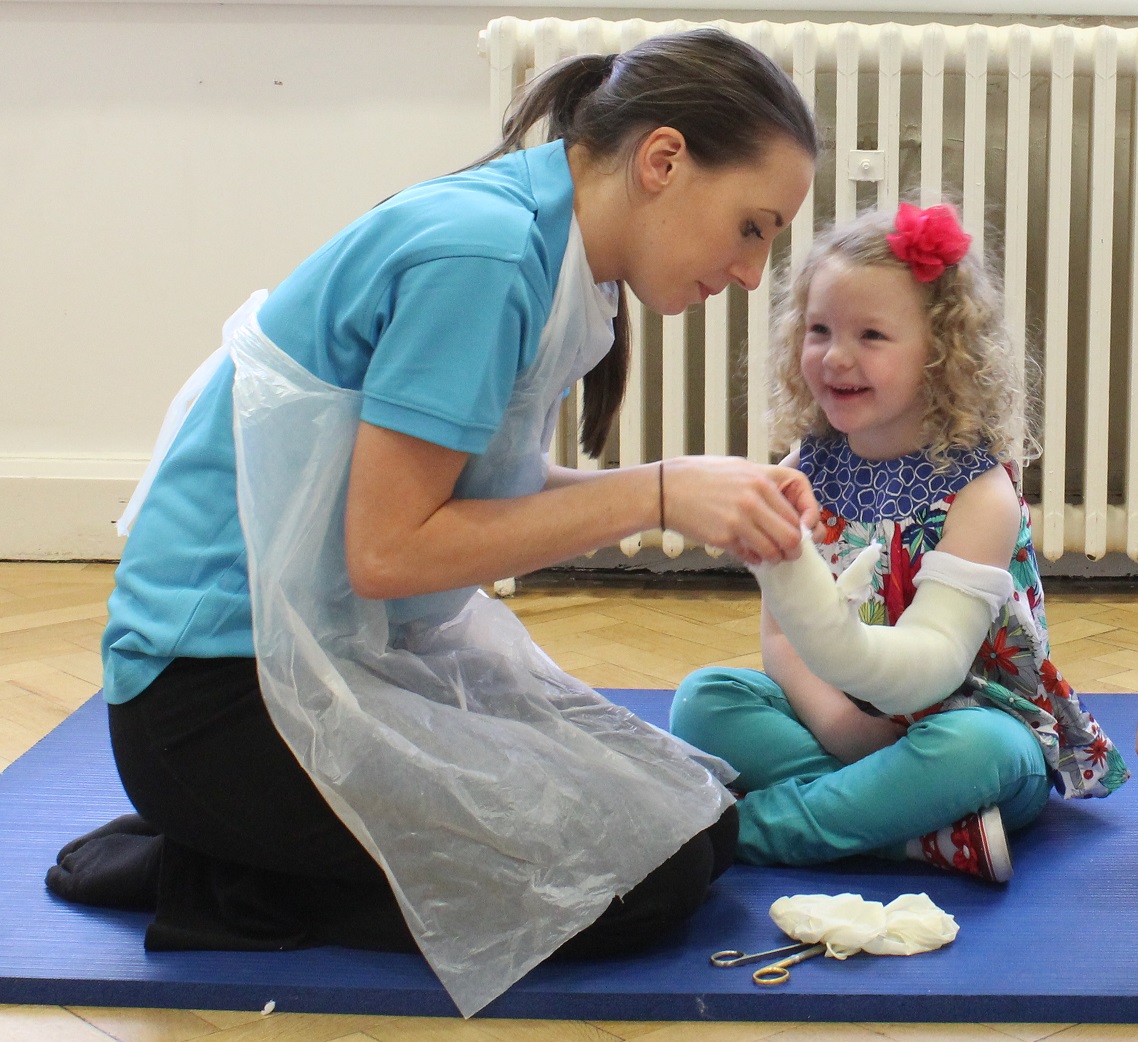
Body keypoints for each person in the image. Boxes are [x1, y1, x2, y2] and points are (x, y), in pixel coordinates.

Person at [45, 28, 821, 1014]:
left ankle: (243, 844)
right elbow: (390, 551)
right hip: (212, 705)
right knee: (639, 889)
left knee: (700, 826)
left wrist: (681, 488)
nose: (753, 272)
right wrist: (659, 494)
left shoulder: (548, 253)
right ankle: (221, 876)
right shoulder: (486, 254)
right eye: (752, 227)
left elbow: (475, 493)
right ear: (663, 160)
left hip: (319, 655)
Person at [670, 202, 1130, 886]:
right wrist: (837, 724)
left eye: (872, 335)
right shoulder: (806, 469)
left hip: (971, 722)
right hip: (847, 723)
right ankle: (915, 836)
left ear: (942, 356)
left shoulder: (980, 495)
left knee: (978, 754)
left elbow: (933, 665)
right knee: (704, 699)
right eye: (819, 329)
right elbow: (785, 636)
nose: (837, 356)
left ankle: (741, 831)